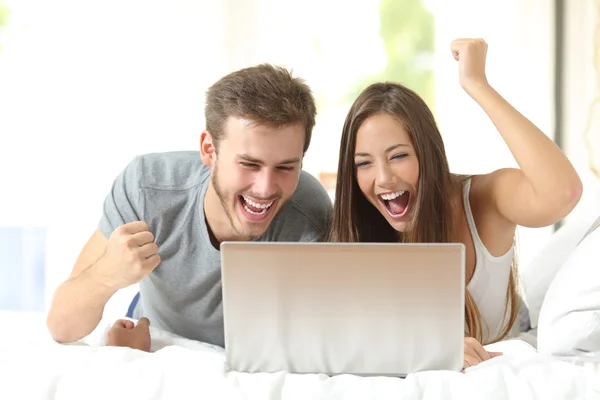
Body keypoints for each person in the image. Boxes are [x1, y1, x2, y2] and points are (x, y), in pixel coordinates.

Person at [327, 38, 583, 370]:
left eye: (399, 156)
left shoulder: (482, 199)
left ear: (428, 152)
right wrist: (429, 349)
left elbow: (561, 193)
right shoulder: (358, 228)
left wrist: (477, 84)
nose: (383, 179)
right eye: (364, 164)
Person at [46, 64, 333, 351]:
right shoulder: (148, 188)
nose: (266, 188)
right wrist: (108, 274)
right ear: (209, 150)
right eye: (249, 164)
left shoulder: (310, 213)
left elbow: (318, 340)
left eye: (286, 167)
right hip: (155, 333)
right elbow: (61, 326)